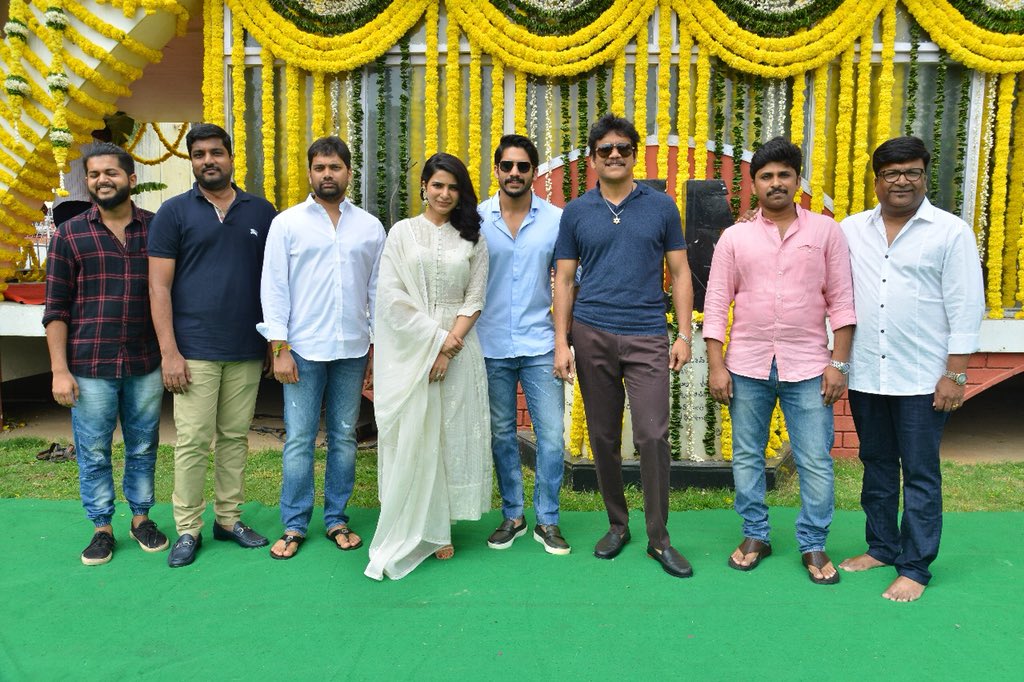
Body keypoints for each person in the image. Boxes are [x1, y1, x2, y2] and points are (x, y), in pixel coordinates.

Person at [703, 136, 856, 585]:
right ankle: (756, 534)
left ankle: (813, 541)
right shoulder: (735, 237)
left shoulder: (826, 232)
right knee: (747, 456)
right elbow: (716, 303)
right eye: (766, 176)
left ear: (796, 180)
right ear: (754, 183)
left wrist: (839, 364)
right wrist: (716, 365)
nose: (775, 183)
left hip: (808, 366)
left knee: (815, 459)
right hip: (746, 365)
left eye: (784, 174)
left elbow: (842, 301)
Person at [838, 136, 984, 602]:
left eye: (912, 172)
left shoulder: (950, 232)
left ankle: (916, 566)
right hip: (867, 374)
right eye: (892, 173)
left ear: (924, 176)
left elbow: (966, 306)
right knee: (876, 465)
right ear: (876, 181)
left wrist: (955, 374)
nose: (902, 181)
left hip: (923, 378)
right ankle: (882, 547)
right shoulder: (850, 230)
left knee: (920, 472)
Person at [552, 113, 695, 578]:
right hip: (591, 332)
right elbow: (564, 279)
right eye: (605, 149)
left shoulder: (661, 207)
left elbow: (680, 272)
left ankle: (659, 538)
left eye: (623, 148)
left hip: (647, 333)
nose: (614, 155)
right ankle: (617, 524)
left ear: (635, 155)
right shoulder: (576, 212)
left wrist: (684, 334)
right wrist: (561, 342)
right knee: (604, 435)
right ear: (593, 159)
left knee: (652, 435)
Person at [148, 123, 277, 567]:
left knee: (235, 438)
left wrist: (272, 342)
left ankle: (228, 519)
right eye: (199, 154)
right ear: (191, 161)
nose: (208, 161)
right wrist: (169, 352)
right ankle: (188, 528)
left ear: (231, 157)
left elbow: (274, 282)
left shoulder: (262, 212)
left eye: (216, 152)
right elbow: (159, 287)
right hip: (193, 351)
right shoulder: (173, 213)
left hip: (245, 347)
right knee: (193, 441)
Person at [365, 152, 492, 580]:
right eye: (437, 185)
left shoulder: (473, 238)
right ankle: (410, 521)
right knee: (413, 432)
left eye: (453, 187)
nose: (444, 194)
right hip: (410, 349)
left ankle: (440, 528)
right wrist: (434, 341)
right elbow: (391, 297)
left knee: (448, 435)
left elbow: (475, 298)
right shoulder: (402, 233)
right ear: (424, 186)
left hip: (459, 350)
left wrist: (447, 348)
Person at [258, 136, 385, 559]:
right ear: (310, 172)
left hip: (352, 348)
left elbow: (376, 292)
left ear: (349, 172)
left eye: (335, 167)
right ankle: (294, 524)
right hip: (302, 349)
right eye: (320, 168)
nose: (327, 174)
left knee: (345, 436)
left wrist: (375, 347)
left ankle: (336, 519)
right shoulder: (287, 224)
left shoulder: (370, 227)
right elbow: (274, 288)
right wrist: (279, 347)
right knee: (299, 437)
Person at [43, 142, 168, 565]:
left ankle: (141, 519)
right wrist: (59, 370)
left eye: (111, 173)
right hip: (89, 364)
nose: (102, 180)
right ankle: (101, 528)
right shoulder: (70, 234)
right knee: (94, 449)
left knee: (143, 445)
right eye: (94, 174)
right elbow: (55, 308)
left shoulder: (157, 229)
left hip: (144, 360)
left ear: (130, 178)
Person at [476, 134, 569, 555]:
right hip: (489, 343)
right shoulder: (476, 219)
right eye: (507, 166)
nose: (514, 173)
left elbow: (568, 281)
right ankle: (513, 515)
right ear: (497, 169)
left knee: (551, 435)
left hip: (540, 342)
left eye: (523, 166)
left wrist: (564, 340)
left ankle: (547, 519)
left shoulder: (556, 220)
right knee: (501, 433)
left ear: (534, 172)